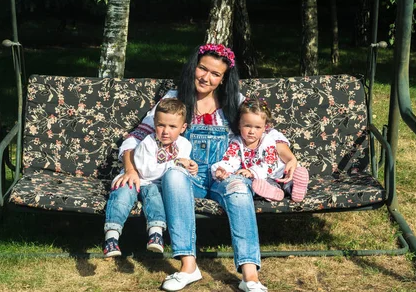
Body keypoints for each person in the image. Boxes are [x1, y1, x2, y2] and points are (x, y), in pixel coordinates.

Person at [114, 44, 299, 292]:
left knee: (238, 189)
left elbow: (271, 135)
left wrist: (290, 158)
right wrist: (130, 169)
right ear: (194, 67)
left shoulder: (234, 102)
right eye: (203, 69)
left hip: (225, 173)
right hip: (189, 174)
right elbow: (136, 137)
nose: (206, 77)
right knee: (173, 175)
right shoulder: (174, 99)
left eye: (215, 74)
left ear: (223, 79)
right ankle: (189, 267)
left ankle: (250, 276)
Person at [103, 98, 196, 258]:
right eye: (161, 125)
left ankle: (156, 234)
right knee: (122, 196)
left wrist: (190, 167)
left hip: (155, 185)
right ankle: (111, 237)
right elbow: (146, 171)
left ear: (183, 127)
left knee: (155, 197)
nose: (166, 131)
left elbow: (179, 172)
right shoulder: (148, 142)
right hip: (136, 178)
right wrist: (175, 162)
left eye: (172, 126)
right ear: (154, 123)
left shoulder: (184, 145)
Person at [211, 98, 309, 203]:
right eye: (247, 126)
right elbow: (230, 159)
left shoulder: (267, 140)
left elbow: (270, 165)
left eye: (257, 127)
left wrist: (251, 172)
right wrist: (223, 169)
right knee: (260, 185)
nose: (252, 131)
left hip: (280, 173)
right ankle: (276, 192)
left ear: (265, 128)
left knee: (288, 182)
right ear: (239, 125)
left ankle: (297, 187)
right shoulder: (236, 143)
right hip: (265, 180)